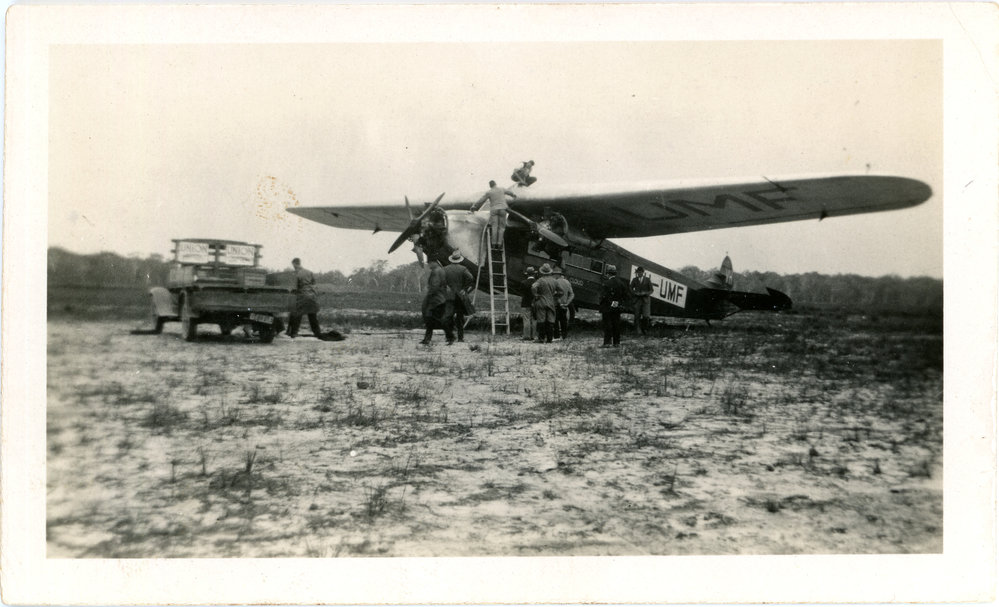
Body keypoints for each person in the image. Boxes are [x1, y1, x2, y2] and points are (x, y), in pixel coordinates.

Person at [470, 180, 517, 247]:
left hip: (494, 210)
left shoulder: (489, 192)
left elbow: (481, 200)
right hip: (503, 209)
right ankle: (499, 244)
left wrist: (474, 206)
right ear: (495, 184)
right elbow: (509, 192)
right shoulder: (501, 189)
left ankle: (494, 244)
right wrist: (513, 195)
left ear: (490, 186)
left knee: (494, 227)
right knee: (501, 227)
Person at [420, 260, 455, 346]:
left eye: (429, 263)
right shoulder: (441, 270)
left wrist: (429, 295)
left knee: (433, 318)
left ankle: (450, 336)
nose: (429, 265)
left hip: (436, 299)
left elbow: (434, 286)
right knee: (431, 318)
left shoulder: (435, 271)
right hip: (440, 298)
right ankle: (427, 339)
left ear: (434, 262)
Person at [287, 257, 323, 338]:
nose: (293, 267)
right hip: (312, 296)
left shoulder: (296, 274)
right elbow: (314, 284)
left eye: (293, 265)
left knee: (296, 314)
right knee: (312, 315)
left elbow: (294, 287)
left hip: (302, 296)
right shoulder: (309, 272)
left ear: (294, 264)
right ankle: (317, 333)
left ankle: (293, 333)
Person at [444, 250, 474, 342]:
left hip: (449, 296)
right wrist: (464, 288)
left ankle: (449, 337)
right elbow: (471, 278)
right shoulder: (463, 269)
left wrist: (446, 287)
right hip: (460, 296)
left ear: (451, 259)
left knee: (448, 316)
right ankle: (460, 338)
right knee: (460, 317)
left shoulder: (445, 269)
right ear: (459, 260)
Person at [599, 265, 629, 348]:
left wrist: (606, 303)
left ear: (608, 273)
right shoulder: (621, 283)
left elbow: (603, 296)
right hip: (617, 307)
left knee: (607, 325)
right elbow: (626, 296)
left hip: (607, 307)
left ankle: (607, 343)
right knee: (616, 324)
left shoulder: (606, 283)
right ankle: (616, 343)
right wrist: (618, 303)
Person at [531, 263, 562, 344]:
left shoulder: (540, 280)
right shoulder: (554, 281)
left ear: (542, 272)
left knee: (541, 320)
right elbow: (561, 292)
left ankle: (541, 339)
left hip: (541, 301)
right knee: (550, 320)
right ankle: (549, 339)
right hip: (551, 302)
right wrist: (555, 297)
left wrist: (536, 295)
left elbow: (533, 287)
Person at [630, 266, 653, 335]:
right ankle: (637, 330)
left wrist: (645, 293)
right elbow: (630, 288)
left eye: (640, 272)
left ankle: (645, 330)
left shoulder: (647, 280)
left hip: (645, 300)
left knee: (646, 316)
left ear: (643, 272)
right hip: (637, 300)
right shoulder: (634, 280)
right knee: (637, 315)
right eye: (638, 272)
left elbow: (651, 290)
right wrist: (635, 293)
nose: (639, 274)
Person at [552, 266, 574, 340]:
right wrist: (567, 302)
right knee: (563, 320)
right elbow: (572, 294)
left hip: (556, 303)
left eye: (554, 274)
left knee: (555, 320)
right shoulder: (567, 282)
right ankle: (564, 336)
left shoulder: (555, 282)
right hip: (564, 305)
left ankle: (556, 336)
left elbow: (554, 293)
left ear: (557, 274)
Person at [520, 266, 537, 341]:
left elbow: (521, 292)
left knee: (526, 319)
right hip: (535, 303)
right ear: (534, 274)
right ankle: (534, 336)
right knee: (534, 319)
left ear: (527, 274)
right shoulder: (537, 282)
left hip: (525, 303)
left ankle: (527, 336)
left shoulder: (523, 283)